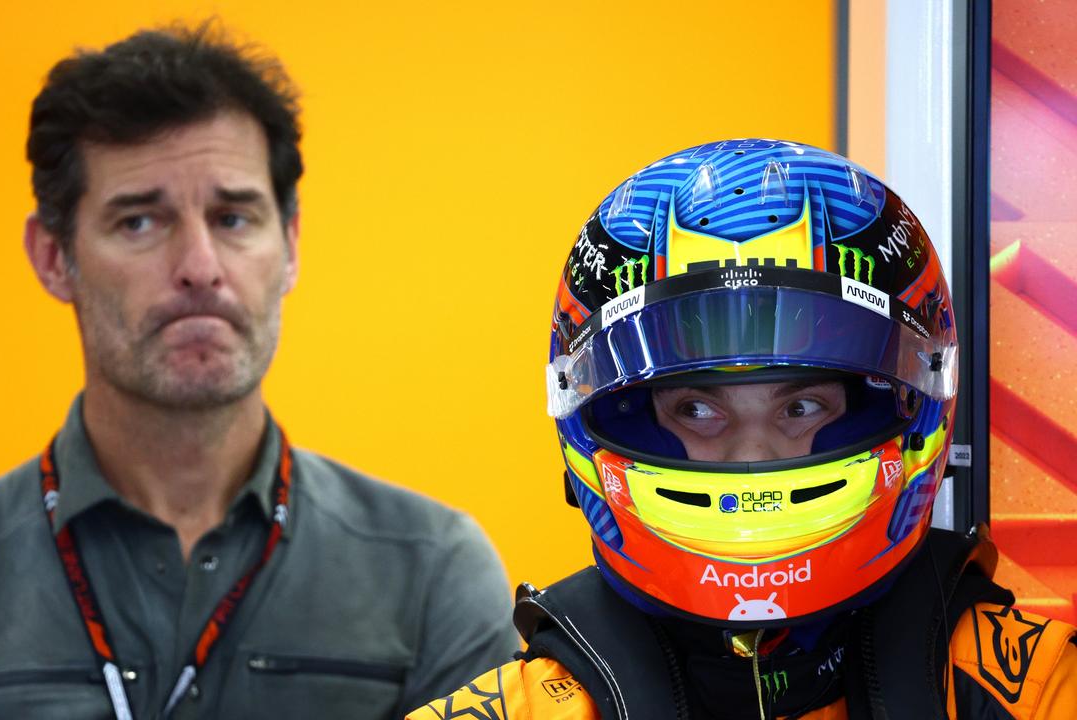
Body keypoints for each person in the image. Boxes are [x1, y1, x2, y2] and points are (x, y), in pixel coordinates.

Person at [0, 23, 518, 719]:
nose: (200, 268)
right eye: (139, 222)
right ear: (53, 257)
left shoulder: (434, 574)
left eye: (232, 218)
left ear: (289, 246)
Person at [409, 139, 1077, 719]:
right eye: (698, 410)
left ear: (906, 402)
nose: (751, 453)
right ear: (610, 416)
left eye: (801, 407)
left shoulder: (1042, 688)